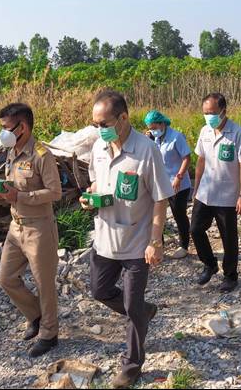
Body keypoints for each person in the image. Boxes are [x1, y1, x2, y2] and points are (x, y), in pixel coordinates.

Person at [79, 90, 174, 389]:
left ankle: (131, 365)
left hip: (136, 242)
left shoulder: (146, 151)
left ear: (123, 118)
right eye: (95, 124)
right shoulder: (98, 148)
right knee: (99, 290)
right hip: (105, 239)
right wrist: (90, 197)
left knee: (131, 305)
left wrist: (155, 241)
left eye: (104, 123)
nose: (99, 129)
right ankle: (145, 312)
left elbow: (161, 199)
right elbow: (96, 181)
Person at [0, 103, 62, 357]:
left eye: (6, 128)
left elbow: (55, 192)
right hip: (16, 227)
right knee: (6, 278)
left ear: (23, 127)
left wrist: (21, 195)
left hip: (39, 228)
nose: (3, 133)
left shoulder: (42, 155)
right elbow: (15, 186)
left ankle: (49, 333)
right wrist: (4, 191)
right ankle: (36, 315)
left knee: (45, 284)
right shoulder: (12, 151)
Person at [191, 92, 241, 293]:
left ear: (223, 111)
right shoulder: (205, 132)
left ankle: (230, 276)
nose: (209, 116)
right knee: (196, 229)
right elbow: (201, 160)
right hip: (205, 192)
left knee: (228, 237)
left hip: (227, 195)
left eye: (212, 112)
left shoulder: (237, 132)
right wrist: (196, 187)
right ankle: (209, 264)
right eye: (205, 113)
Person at [144, 109, 192, 259]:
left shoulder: (176, 137)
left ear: (161, 123)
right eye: (150, 128)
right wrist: (149, 140)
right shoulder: (154, 139)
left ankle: (184, 246)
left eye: (154, 127)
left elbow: (186, 158)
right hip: (161, 184)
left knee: (179, 215)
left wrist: (179, 176)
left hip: (178, 184)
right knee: (157, 215)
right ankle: (159, 245)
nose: (153, 131)